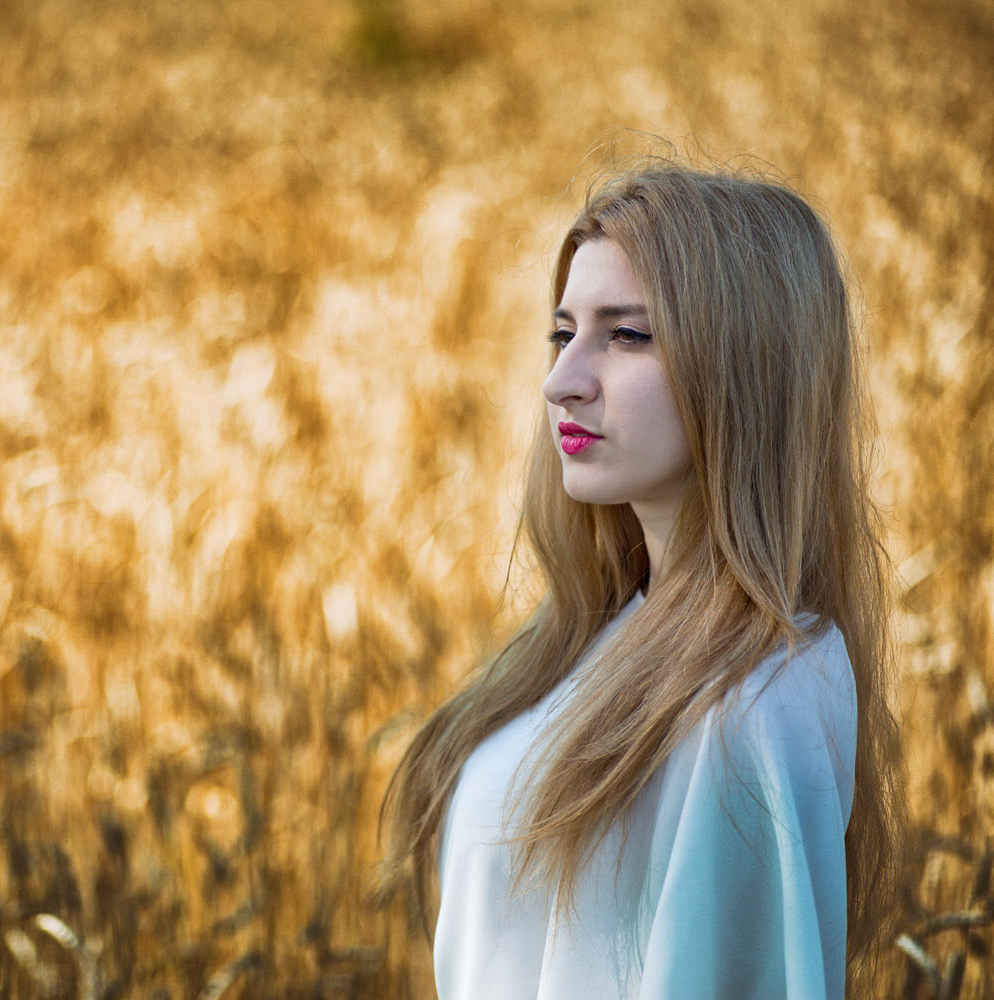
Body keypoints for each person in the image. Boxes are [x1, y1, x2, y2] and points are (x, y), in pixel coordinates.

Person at [382, 163, 900, 999]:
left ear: (747, 367)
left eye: (626, 335)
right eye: (563, 334)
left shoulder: (761, 700)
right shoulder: (594, 647)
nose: (563, 381)